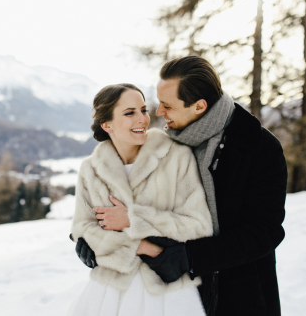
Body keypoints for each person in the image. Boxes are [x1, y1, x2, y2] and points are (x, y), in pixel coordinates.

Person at [74, 56, 288, 316]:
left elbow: (264, 232)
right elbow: (109, 211)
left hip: (237, 292)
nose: (158, 113)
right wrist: (93, 243)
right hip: (168, 291)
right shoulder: (166, 144)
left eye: (166, 106)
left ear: (199, 106)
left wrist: (191, 257)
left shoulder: (257, 147)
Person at [68, 83, 213, 315]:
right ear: (107, 125)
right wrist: (142, 247)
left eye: (143, 110)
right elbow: (83, 230)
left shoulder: (176, 156)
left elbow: (198, 226)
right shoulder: (90, 169)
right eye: (129, 113)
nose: (142, 119)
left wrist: (132, 219)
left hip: (167, 293)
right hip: (107, 294)